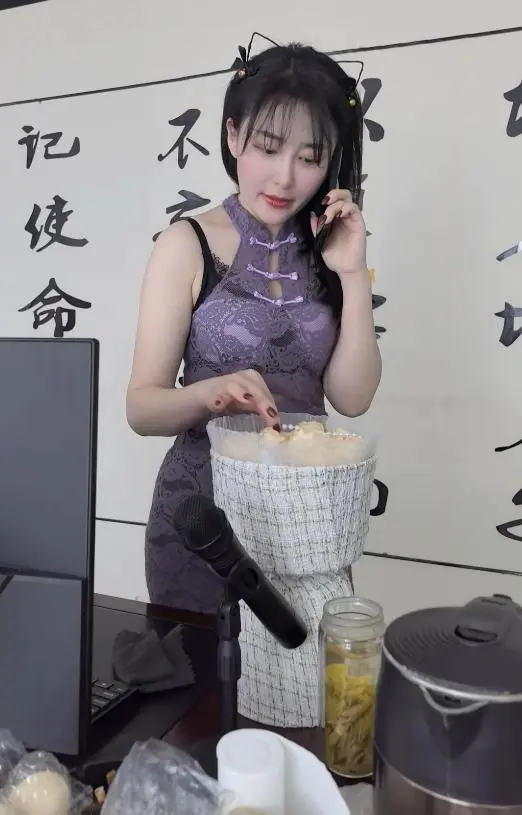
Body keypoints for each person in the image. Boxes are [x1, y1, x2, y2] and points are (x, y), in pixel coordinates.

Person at [126, 41, 382, 613]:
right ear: (233, 135)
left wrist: (352, 273)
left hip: (307, 526)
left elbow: (353, 398)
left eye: (310, 158)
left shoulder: (331, 245)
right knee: (198, 671)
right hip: (203, 526)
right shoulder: (186, 244)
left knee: (305, 668)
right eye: (268, 147)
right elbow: (141, 408)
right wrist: (211, 393)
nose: (285, 177)